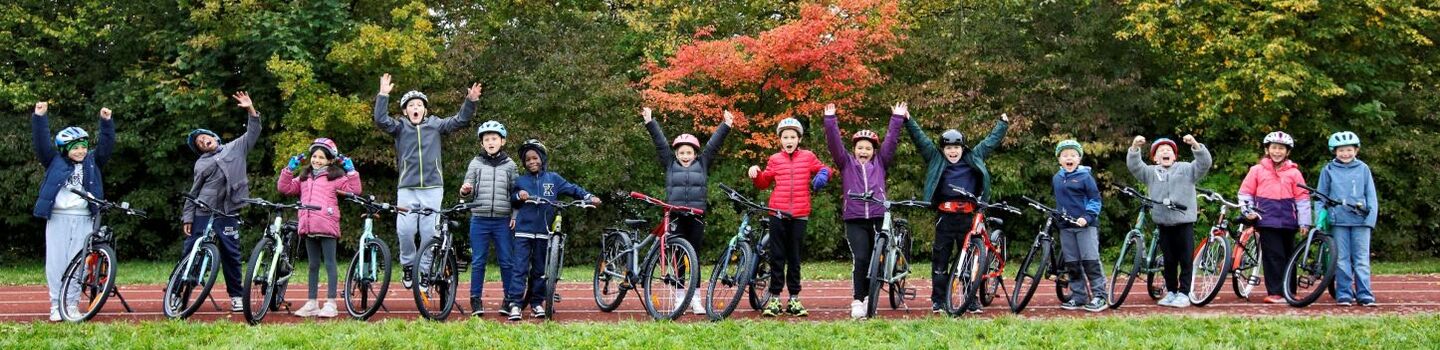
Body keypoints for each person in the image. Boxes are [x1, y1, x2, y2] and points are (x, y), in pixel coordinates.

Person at [371, 73, 481, 289]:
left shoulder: (435, 125)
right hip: (407, 188)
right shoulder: (400, 127)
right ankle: (409, 266)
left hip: (433, 188)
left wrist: (470, 101)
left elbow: (460, 120)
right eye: (411, 105)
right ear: (405, 111)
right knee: (405, 230)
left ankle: (424, 271)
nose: (415, 108)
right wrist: (383, 95)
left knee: (430, 233)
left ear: (425, 109)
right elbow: (381, 120)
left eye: (419, 105)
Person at [905, 110, 1009, 314]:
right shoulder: (936, 159)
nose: (953, 152)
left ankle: (969, 300)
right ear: (943, 149)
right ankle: (938, 301)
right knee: (940, 261)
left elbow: (990, 142)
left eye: (956, 148)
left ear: (963, 148)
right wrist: (908, 120)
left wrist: (1002, 125)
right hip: (945, 217)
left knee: (971, 261)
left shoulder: (973, 157)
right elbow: (922, 140)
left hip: (968, 217)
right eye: (949, 148)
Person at [640, 107, 732, 315]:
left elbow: (713, 145)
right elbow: (660, 143)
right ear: (676, 154)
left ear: (695, 153)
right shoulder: (670, 164)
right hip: (675, 215)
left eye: (689, 152)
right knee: (679, 257)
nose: (685, 155)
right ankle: (680, 297)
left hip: (697, 216)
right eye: (681, 152)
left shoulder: (703, 163)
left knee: (695, 258)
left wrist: (725, 125)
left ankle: (696, 299)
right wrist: (650, 121)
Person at [30, 102, 115, 321]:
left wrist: (106, 122)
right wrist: (39, 117)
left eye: (84, 146)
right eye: (75, 147)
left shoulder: (92, 161)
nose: (80, 151)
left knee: (80, 263)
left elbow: (106, 146)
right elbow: (41, 143)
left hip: (84, 218)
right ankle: (55, 306)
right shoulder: (54, 161)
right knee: (56, 262)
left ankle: (71, 304)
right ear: (65, 149)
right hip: (58, 217)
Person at [820, 102, 904, 319]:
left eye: (868, 148)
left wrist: (897, 118)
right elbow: (834, 144)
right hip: (855, 217)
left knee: (877, 259)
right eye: (860, 148)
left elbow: (891, 142)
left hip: (878, 216)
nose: (863, 151)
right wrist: (830, 120)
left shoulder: (881, 163)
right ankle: (859, 299)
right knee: (862, 258)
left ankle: (870, 297)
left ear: (873, 151)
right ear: (854, 150)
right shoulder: (846, 163)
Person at [182, 91, 263, 312]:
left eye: (204, 137)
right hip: (203, 211)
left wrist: (250, 109)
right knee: (190, 251)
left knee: (231, 254)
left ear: (215, 138)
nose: (202, 141)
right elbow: (194, 191)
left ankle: (236, 296)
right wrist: (187, 216)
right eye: (199, 143)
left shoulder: (235, 148)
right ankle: (181, 291)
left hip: (228, 212)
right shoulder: (201, 163)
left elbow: (254, 131)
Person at [749, 116, 832, 317]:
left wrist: (823, 175)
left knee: (794, 257)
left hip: (800, 214)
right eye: (785, 137)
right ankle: (775, 298)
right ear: (780, 140)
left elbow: (826, 168)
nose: (789, 140)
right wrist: (756, 174)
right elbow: (764, 182)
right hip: (777, 213)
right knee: (777, 256)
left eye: (792, 136)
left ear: (799, 139)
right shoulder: (775, 160)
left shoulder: (808, 157)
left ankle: (794, 299)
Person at [276, 138, 362, 318]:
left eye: (321, 158)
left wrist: (351, 171)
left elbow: (355, 190)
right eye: (314, 156)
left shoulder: (336, 177)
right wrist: (289, 170)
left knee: (330, 264)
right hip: (308, 225)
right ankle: (312, 303)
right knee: (313, 265)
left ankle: (331, 303)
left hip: (327, 225)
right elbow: (285, 188)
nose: (316, 160)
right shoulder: (304, 177)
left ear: (330, 160)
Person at [1126, 134, 1212, 308]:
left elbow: (1204, 164)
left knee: (1185, 259)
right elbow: (1135, 166)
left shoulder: (1186, 169)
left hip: (1184, 223)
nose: (1165, 152)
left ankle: (1184, 293)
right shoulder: (1150, 172)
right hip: (1163, 223)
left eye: (1169, 150)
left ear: (1175, 155)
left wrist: (1195, 145)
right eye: (1160, 151)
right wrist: (1135, 147)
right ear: (1155, 158)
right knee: (1169, 260)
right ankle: (1171, 291)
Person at [1238, 131, 1311, 304]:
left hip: (1289, 221)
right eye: (1274, 148)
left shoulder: (1294, 173)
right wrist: (1248, 212)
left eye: (1281, 149)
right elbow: (1245, 193)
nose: (1277, 151)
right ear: (1267, 149)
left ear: (1288, 152)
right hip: (1266, 220)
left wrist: (1304, 222)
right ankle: (1276, 292)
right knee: (1273, 256)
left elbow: (1302, 198)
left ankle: (1290, 291)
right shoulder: (1257, 170)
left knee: (1290, 256)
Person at [459, 120, 519, 317]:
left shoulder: (510, 165)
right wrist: (465, 190)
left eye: (494, 138)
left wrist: (515, 215)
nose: (490, 142)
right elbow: (467, 187)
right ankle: (475, 300)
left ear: (502, 141)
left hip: (503, 220)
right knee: (478, 261)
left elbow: (515, 192)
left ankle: (509, 299)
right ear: (481, 143)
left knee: (507, 261)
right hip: (480, 219)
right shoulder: (476, 163)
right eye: (487, 139)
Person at [1315, 131, 1378, 307]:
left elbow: (1371, 196)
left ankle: (1364, 294)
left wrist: (1370, 219)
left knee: (1361, 259)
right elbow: (1321, 196)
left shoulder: (1363, 169)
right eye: (1341, 150)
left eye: (1349, 150)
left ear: (1356, 150)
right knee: (1341, 259)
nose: (1345, 154)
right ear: (1334, 151)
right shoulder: (1328, 170)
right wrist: (1320, 218)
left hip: (1361, 221)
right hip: (1338, 222)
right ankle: (1344, 294)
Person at [1052, 140, 1107, 312]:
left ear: (1079, 159)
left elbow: (1095, 200)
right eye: (1065, 155)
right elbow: (1059, 202)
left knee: (1090, 260)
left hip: (1085, 226)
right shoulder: (1057, 178)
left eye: (1073, 155)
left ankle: (1100, 296)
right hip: (1066, 227)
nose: (1069, 158)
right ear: (1059, 159)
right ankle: (1079, 296)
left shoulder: (1085, 177)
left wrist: (1087, 217)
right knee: (1072, 264)